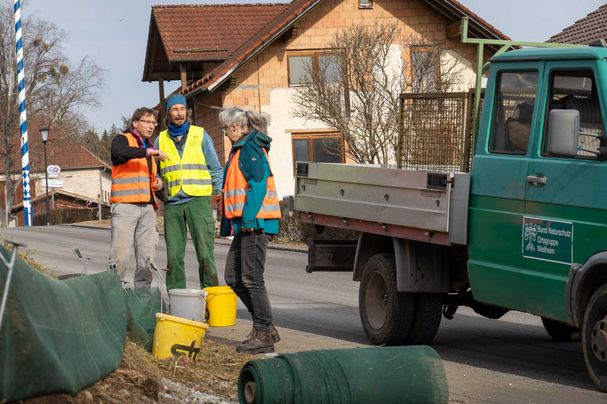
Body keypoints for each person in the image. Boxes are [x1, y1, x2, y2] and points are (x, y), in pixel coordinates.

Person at [219, 107, 282, 354]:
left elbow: (257, 185)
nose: (225, 134)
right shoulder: (242, 149)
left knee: (252, 279)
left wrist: (246, 219)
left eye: (225, 129)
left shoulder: (250, 148)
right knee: (233, 277)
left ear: (235, 127)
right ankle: (266, 326)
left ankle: (263, 332)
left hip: (256, 224)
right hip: (247, 225)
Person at [155, 94, 223, 290]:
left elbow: (215, 168)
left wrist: (218, 195)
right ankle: (177, 302)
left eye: (182, 109)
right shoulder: (160, 140)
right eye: (175, 110)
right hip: (173, 203)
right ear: (168, 114)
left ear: (187, 112)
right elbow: (156, 174)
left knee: (205, 254)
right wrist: (160, 187)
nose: (179, 113)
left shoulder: (200, 135)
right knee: (174, 257)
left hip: (199, 201)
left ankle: (211, 300)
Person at [109, 107, 167, 288]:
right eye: (147, 122)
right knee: (120, 254)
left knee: (147, 257)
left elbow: (149, 177)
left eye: (154, 123)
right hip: (125, 207)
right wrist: (147, 152)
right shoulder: (122, 140)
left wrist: (158, 183)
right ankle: (113, 291)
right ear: (135, 123)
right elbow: (119, 154)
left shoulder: (150, 148)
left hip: (148, 209)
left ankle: (143, 295)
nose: (151, 126)